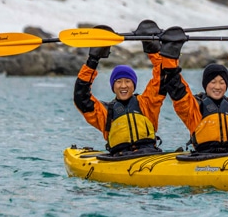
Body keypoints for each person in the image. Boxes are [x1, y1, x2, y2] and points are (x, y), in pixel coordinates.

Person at [157, 27, 228, 154]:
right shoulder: (195, 106)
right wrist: (171, 55)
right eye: (213, 82)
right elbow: (176, 87)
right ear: (205, 85)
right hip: (204, 156)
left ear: (226, 85)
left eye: (222, 82)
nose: (217, 87)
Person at [72, 20, 167, 155]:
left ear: (133, 85)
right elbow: (81, 97)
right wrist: (93, 60)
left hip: (149, 154)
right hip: (119, 158)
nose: (123, 85)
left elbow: (162, 76)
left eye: (127, 81)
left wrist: (154, 50)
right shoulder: (105, 112)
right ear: (113, 86)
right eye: (118, 82)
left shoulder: (147, 103)